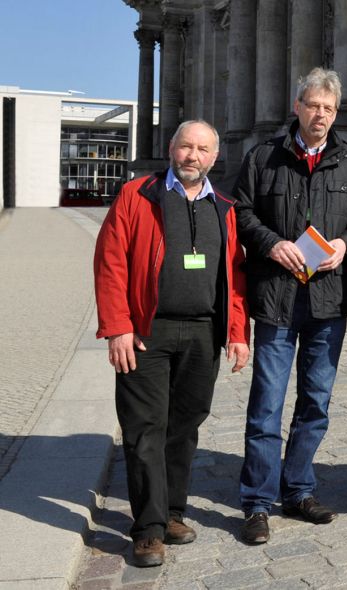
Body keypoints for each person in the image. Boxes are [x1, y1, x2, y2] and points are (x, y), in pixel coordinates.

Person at [94, 120, 250, 567]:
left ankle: (173, 512)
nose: (192, 156)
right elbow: (110, 261)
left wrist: (237, 332)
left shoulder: (224, 206)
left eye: (202, 150)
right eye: (186, 147)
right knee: (145, 428)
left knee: (185, 425)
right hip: (147, 331)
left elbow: (234, 278)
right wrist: (118, 326)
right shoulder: (137, 195)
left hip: (203, 332)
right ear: (171, 148)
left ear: (213, 158)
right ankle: (147, 530)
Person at [233, 67, 347, 544]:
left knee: (315, 403)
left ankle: (298, 489)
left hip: (327, 303)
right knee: (266, 406)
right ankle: (256, 502)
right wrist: (271, 243)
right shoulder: (262, 157)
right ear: (298, 106)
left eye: (329, 109)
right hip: (275, 298)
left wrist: (344, 244)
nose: (321, 115)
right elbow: (242, 213)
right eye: (314, 105)